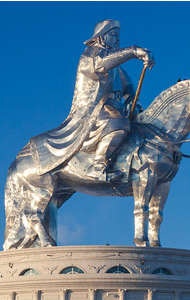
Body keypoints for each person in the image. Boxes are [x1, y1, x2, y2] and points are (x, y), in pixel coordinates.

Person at [28, 19, 155, 182]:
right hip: (97, 109)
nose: (118, 39)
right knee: (118, 124)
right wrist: (133, 51)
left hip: (117, 108)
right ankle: (98, 166)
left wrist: (131, 100)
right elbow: (102, 63)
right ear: (101, 37)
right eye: (114, 35)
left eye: (118, 36)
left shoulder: (117, 66)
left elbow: (127, 86)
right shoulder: (90, 55)